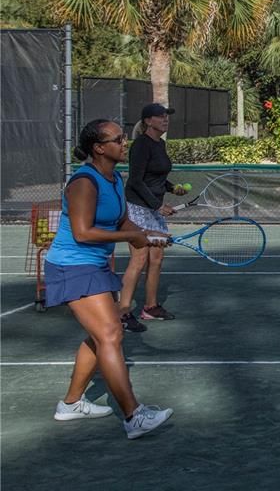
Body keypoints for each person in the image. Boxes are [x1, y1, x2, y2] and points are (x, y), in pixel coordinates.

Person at [46, 118, 173, 439]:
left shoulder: (114, 178)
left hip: (95, 264)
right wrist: (133, 235)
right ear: (99, 148)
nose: (124, 142)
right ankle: (134, 416)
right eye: (116, 139)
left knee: (102, 335)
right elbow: (82, 231)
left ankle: (71, 404)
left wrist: (149, 234)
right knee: (110, 335)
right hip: (71, 265)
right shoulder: (83, 183)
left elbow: (123, 221)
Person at [119, 103, 187, 332]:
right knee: (139, 260)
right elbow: (136, 181)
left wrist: (172, 187)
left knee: (156, 259)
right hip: (138, 207)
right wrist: (158, 205)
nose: (165, 119)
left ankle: (150, 307)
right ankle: (123, 312)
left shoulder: (161, 144)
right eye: (160, 116)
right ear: (148, 121)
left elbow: (156, 177)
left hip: (153, 208)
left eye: (166, 116)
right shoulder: (140, 145)